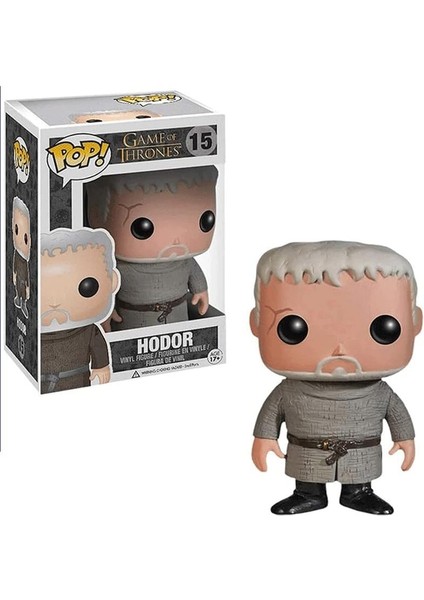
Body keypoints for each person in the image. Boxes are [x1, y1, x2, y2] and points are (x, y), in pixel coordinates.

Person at [250, 241, 421, 515]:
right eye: (293, 329)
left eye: (383, 328)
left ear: (416, 324)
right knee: (308, 472)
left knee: (358, 474)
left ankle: (359, 492)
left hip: (361, 453)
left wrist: (405, 437)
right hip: (307, 452)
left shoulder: (380, 392)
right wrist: (265, 437)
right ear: (256, 324)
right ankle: (308, 493)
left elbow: (398, 415)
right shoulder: (288, 391)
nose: (339, 349)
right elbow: (270, 415)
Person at [86, 166, 218, 330]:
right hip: (133, 320)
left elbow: (194, 272)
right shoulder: (116, 267)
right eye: (142, 227)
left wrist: (201, 290)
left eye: (205, 220)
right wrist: (105, 310)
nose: (175, 240)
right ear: (96, 216)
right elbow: (104, 288)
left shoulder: (185, 261)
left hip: (178, 317)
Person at [41, 228, 120, 393]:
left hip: (78, 381)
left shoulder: (88, 330)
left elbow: (97, 346)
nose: (55, 302)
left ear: (112, 282)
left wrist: (101, 366)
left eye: (87, 287)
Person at [12, 196, 31, 319]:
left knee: (22, 290)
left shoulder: (25, 260)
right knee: (18, 289)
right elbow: (15, 265)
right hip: (19, 277)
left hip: (23, 280)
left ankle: (23, 303)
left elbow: (27, 274)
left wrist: (28, 287)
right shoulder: (17, 254)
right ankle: (19, 300)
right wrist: (14, 275)